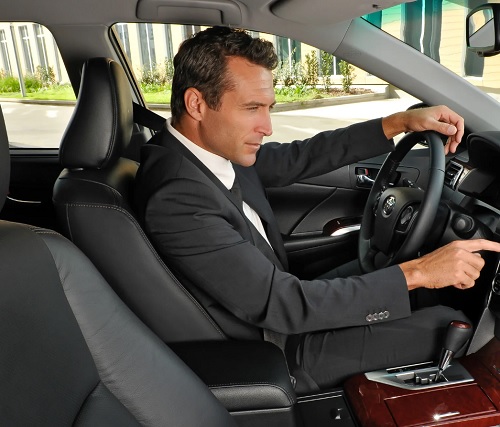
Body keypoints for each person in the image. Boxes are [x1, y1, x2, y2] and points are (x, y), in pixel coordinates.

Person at [133, 26, 500, 390]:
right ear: (196, 104)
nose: (267, 126)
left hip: (282, 306)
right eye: (252, 108)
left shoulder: (206, 153)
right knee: (453, 325)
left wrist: (399, 123)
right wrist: (419, 271)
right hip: (277, 346)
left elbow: (301, 157)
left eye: (268, 108)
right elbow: (282, 304)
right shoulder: (177, 196)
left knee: (399, 278)